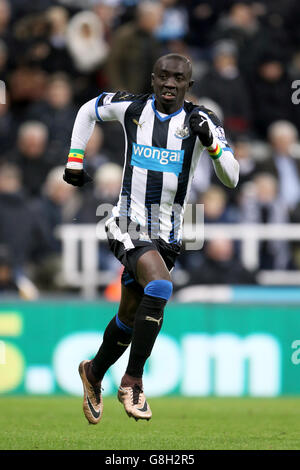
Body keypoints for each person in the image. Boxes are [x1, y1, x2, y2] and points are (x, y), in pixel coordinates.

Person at [63, 53, 239, 424]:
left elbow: (232, 177)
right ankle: (133, 381)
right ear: (153, 79)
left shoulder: (200, 121)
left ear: (189, 85)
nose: (170, 84)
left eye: (178, 78)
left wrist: (214, 146)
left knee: (129, 319)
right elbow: (87, 110)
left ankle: (93, 373)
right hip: (125, 221)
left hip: (170, 235)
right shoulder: (132, 108)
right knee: (160, 285)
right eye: (163, 77)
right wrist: (75, 158)